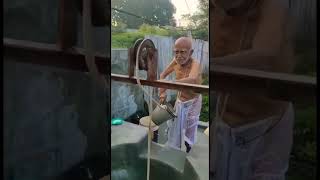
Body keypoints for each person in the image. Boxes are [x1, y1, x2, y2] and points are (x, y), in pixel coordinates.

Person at [210, 0, 295, 179]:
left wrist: (207, 67)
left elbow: (265, 58)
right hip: (223, 121)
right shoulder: (214, 9)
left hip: (266, 126)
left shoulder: (274, 5)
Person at [159, 37, 203, 153]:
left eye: (183, 52)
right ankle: (174, 147)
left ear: (191, 52)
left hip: (193, 100)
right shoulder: (175, 62)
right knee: (175, 125)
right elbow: (162, 75)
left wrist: (171, 83)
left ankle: (188, 147)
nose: (179, 55)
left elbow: (192, 79)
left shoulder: (195, 64)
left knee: (190, 127)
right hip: (180, 99)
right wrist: (162, 92)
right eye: (176, 52)